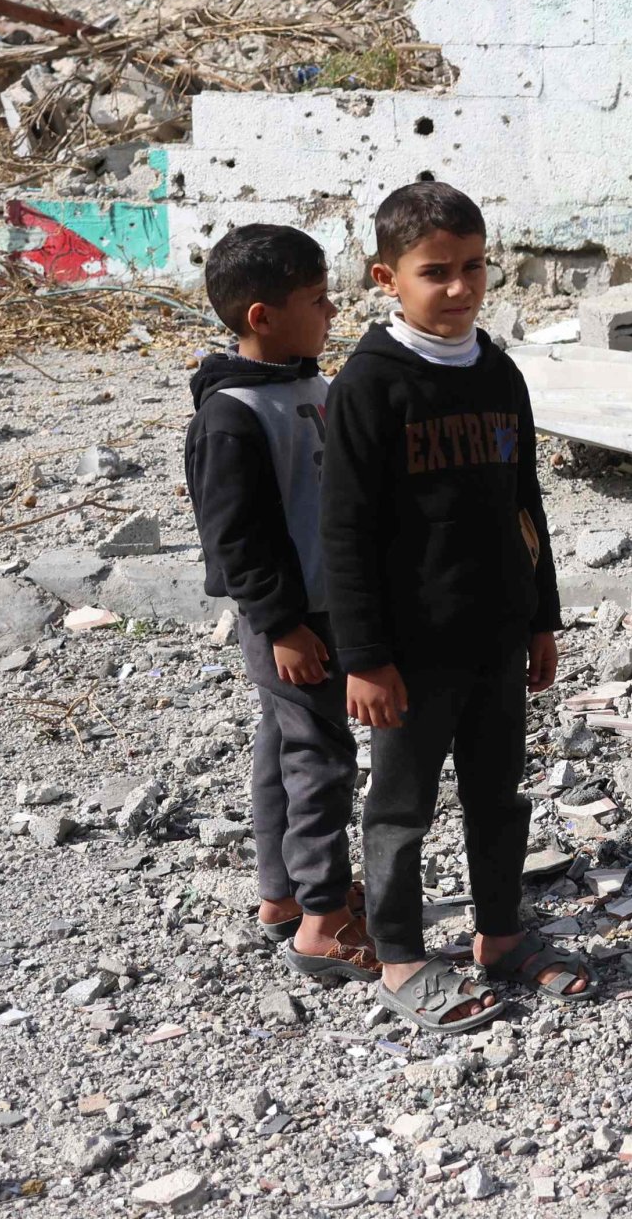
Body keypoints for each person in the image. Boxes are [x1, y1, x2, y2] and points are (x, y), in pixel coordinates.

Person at [320, 180, 588, 1033]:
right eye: (436, 271)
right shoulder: (369, 385)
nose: (460, 288)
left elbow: (525, 501)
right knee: (401, 805)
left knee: (498, 794)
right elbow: (345, 532)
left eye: (474, 267)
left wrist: (542, 615)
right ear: (384, 277)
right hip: (408, 649)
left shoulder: (499, 371)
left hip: (496, 633)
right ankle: (400, 953)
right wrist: (363, 656)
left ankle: (501, 935)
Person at [186, 223, 374, 983]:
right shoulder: (231, 416)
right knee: (320, 757)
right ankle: (326, 917)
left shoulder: (308, 385)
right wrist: (283, 624)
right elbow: (236, 540)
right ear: (261, 316)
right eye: (317, 300)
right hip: (292, 621)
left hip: (320, 607)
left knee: (285, 741)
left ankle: (282, 893)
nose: (332, 312)